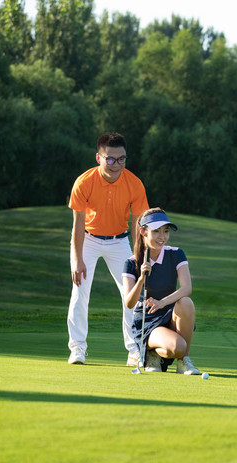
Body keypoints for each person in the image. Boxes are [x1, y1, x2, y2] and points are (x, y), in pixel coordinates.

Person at [67, 132, 149, 365]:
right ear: (98, 158)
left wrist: (138, 257)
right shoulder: (84, 182)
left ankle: (135, 350)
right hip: (88, 240)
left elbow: (137, 226)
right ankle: (78, 348)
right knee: (80, 291)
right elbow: (78, 225)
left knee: (131, 294)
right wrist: (77, 259)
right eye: (110, 159)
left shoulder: (134, 183)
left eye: (121, 159)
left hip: (119, 241)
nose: (116, 164)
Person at [122, 208, 201, 375]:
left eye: (165, 231)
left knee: (186, 302)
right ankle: (150, 351)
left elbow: (187, 288)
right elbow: (129, 303)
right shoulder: (131, 263)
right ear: (143, 232)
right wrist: (142, 279)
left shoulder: (176, 254)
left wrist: (163, 302)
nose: (162, 237)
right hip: (147, 321)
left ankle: (183, 362)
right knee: (177, 346)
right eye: (156, 231)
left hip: (170, 315)